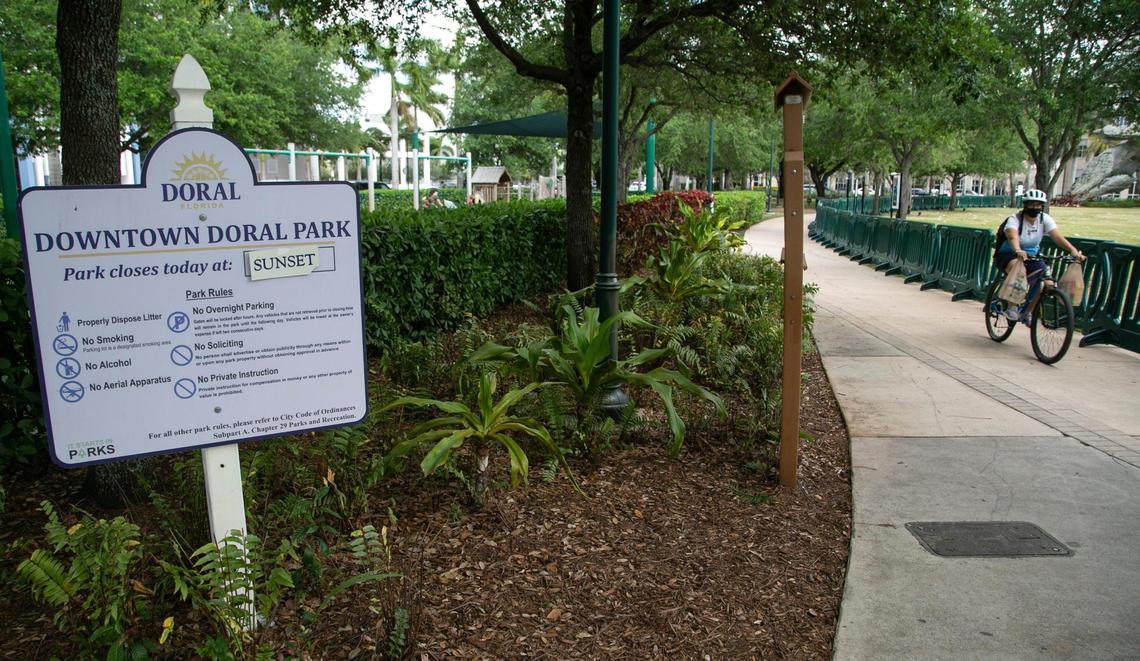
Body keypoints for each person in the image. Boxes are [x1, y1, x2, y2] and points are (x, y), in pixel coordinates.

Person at [994, 188, 1085, 321]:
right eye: (1031, 204)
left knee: (1046, 282)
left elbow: (1057, 237)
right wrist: (1018, 250)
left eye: (1038, 205)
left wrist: (1072, 250)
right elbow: (1012, 236)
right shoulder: (1015, 219)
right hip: (1009, 254)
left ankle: (1028, 312)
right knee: (1019, 270)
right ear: (1025, 205)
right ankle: (1012, 307)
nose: (1035, 207)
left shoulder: (1044, 219)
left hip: (1033, 255)